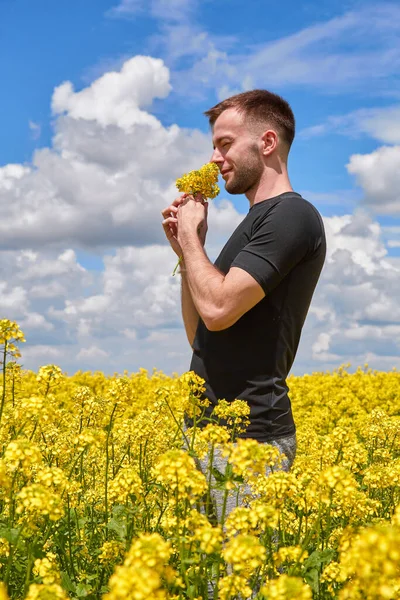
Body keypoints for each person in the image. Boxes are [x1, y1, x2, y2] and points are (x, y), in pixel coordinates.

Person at [161, 89, 326, 517]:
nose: (215, 158)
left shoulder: (291, 216)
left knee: (242, 584)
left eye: (225, 144)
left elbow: (217, 311)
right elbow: (201, 334)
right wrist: (188, 251)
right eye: (214, 146)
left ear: (267, 143)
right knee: (206, 581)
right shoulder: (252, 223)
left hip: (250, 445)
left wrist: (193, 246)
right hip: (205, 434)